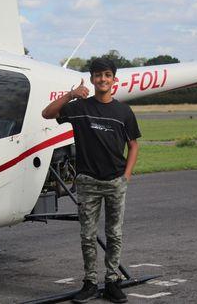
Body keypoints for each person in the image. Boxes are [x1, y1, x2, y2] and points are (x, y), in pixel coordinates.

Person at [42, 58, 141, 303]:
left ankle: (112, 281)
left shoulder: (123, 112)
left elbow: (133, 145)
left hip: (115, 181)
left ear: (114, 79)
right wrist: (71, 95)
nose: (103, 79)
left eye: (107, 75)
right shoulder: (79, 107)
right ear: (92, 79)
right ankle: (89, 281)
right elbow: (47, 113)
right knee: (87, 235)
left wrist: (126, 176)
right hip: (87, 182)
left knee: (114, 234)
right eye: (98, 75)